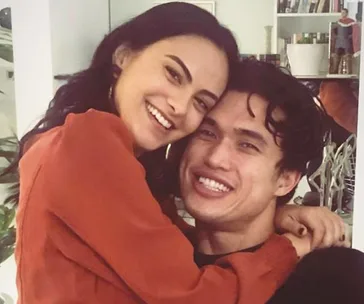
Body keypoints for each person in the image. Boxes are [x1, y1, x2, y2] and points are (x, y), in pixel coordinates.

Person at [1, 3, 343, 303]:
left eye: (200, 101)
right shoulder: (88, 145)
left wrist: (276, 215)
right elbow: (194, 296)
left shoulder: (92, 151)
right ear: (124, 55)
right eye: (173, 73)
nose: (180, 107)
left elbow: (165, 247)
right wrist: (287, 249)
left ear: (286, 179)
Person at [175, 59, 363, 303]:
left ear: (286, 180)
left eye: (247, 145)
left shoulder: (335, 278)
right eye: (207, 133)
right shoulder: (155, 257)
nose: (215, 158)